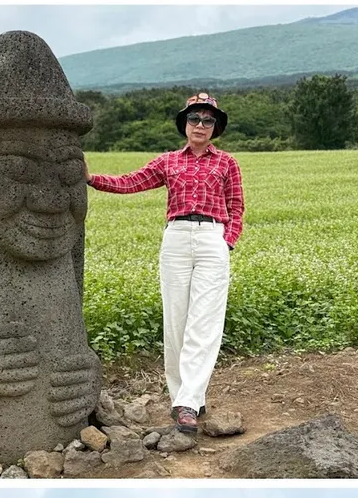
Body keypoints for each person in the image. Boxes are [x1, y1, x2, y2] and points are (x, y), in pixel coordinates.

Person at [85, 92, 245, 435]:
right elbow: (131, 182)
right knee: (176, 321)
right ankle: (184, 397)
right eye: (194, 119)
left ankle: (187, 402)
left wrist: (226, 242)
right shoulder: (169, 161)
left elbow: (237, 207)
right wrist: (91, 178)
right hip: (176, 238)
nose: (200, 125)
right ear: (184, 124)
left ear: (215, 127)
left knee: (205, 321)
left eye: (207, 120)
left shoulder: (226, 163)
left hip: (211, 238)